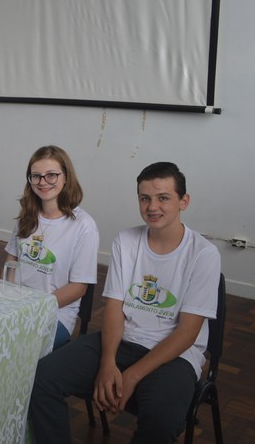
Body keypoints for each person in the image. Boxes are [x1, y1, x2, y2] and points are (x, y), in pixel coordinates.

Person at [29, 162, 221, 444]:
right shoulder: (126, 240)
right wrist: (108, 362)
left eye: (163, 198)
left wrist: (131, 376)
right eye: (145, 198)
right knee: (42, 379)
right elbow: (114, 309)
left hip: (175, 356)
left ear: (184, 201)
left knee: (160, 420)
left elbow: (187, 333)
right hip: (122, 342)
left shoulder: (204, 254)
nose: (152, 207)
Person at [4, 145, 99, 349]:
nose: (42, 182)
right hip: (14, 304)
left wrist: (32, 308)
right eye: (36, 176)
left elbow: (78, 288)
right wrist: (8, 297)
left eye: (51, 175)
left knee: (12, 347)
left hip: (55, 314)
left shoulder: (84, 226)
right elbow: (11, 260)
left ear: (66, 177)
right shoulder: (27, 215)